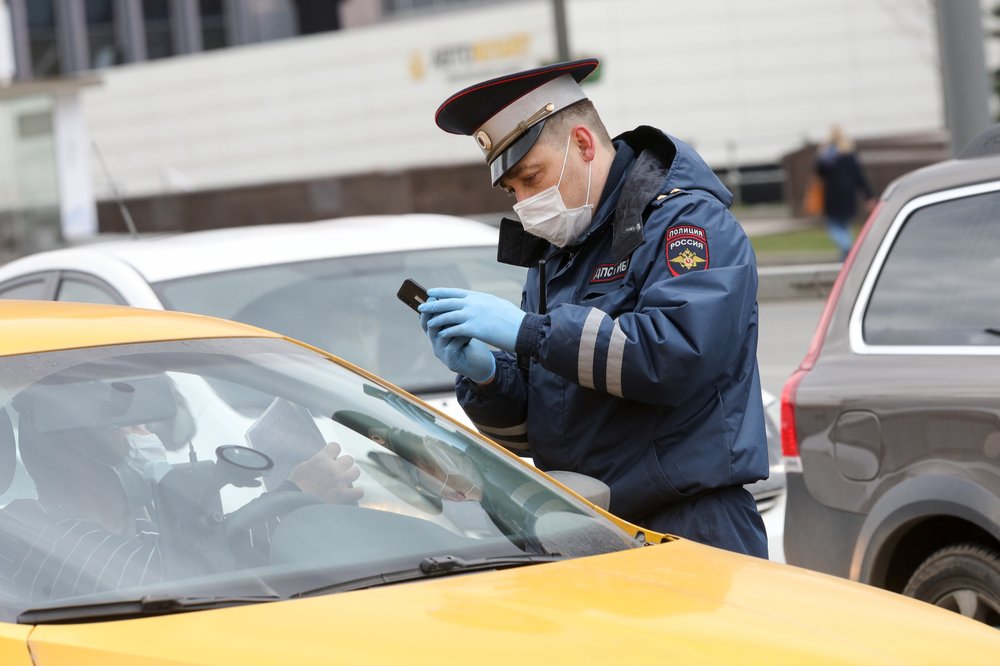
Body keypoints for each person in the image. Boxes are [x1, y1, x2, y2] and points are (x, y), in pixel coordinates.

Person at [417, 58, 769, 557]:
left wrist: (530, 333)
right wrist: (487, 377)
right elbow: (536, 432)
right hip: (587, 527)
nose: (523, 204)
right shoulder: (560, 251)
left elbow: (675, 356)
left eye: (532, 177)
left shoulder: (684, 221)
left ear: (583, 144)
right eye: (513, 190)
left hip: (690, 526)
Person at [815, 125, 876, 261]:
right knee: (844, 225)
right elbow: (859, 176)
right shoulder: (849, 154)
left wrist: (821, 152)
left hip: (832, 197)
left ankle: (848, 248)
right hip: (848, 196)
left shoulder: (826, 156)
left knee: (834, 226)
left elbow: (819, 172)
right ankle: (846, 257)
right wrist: (868, 195)